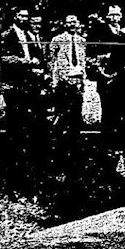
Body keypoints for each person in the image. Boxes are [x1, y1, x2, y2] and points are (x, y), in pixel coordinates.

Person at [0, 8, 49, 191]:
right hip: (13, 87)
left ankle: (27, 169)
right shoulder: (7, 35)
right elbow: (3, 58)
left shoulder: (28, 34)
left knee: (28, 126)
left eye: (27, 16)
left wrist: (37, 68)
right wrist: (24, 62)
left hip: (28, 87)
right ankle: (10, 170)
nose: (25, 19)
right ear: (15, 17)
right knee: (14, 126)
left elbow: (37, 57)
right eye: (22, 16)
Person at [89, 5, 125, 176]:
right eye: (112, 14)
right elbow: (95, 57)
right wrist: (105, 75)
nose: (115, 17)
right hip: (110, 82)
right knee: (110, 120)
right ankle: (109, 162)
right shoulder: (100, 33)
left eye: (118, 14)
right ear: (106, 16)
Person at [50, 14, 87, 172]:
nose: (72, 24)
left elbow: (83, 61)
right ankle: (59, 154)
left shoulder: (82, 40)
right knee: (62, 117)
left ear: (77, 23)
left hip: (77, 82)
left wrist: (83, 81)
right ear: (64, 23)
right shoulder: (57, 39)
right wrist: (55, 80)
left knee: (76, 118)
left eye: (74, 21)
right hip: (64, 83)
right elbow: (52, 62)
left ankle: (75, 154)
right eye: (69, 22)